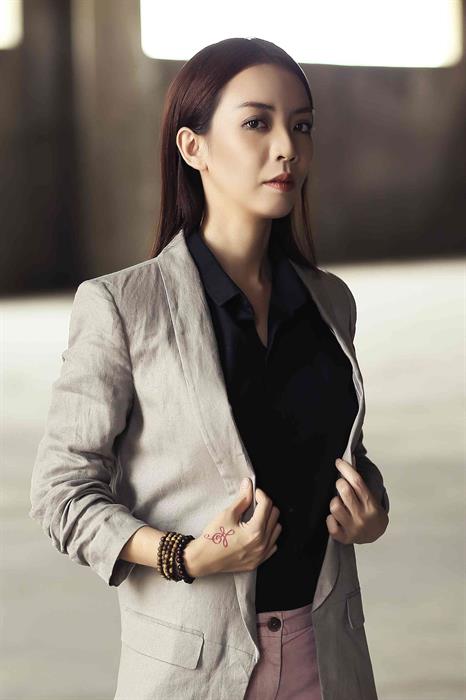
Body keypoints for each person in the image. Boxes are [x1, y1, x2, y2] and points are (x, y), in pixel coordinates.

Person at [29, 37, 390, 700]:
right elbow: (62, 494)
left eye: (301, 126)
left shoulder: (330, 302)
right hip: (195, 672)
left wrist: (373, 512)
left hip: (330, 658)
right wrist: (186, 555)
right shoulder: (122, 306)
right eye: (257, 123)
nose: (286, 147)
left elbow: (342, 454)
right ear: (193, 147)